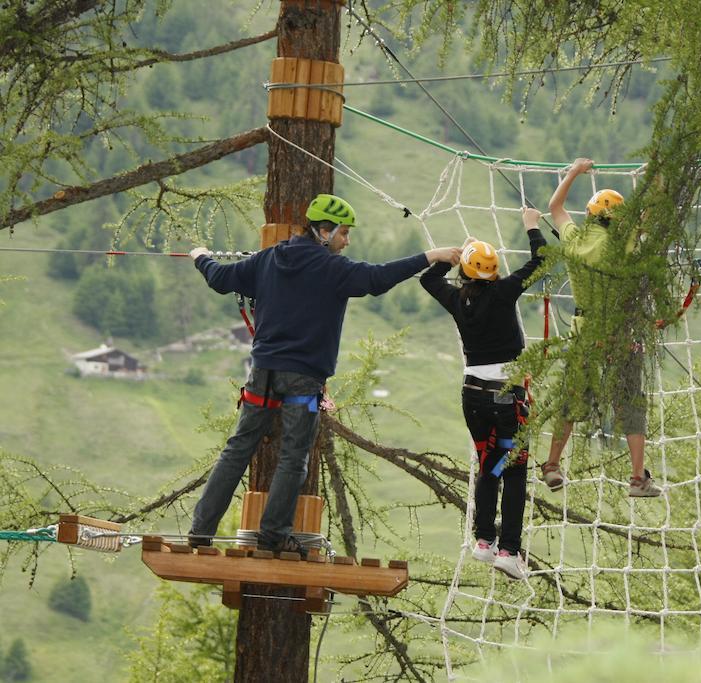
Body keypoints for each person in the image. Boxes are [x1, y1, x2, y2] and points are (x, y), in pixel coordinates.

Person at [187, 193, 461, 556]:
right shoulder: (334, 270)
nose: (347, 241)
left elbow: (221, 278)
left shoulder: (267, 260)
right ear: (324, 231)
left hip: (263, 372)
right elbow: (378, 279)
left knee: (238, 449)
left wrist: (201, 257)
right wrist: (432, 256)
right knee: (293, 457)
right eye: (344, 233)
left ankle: (200, 532)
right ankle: (273, 537)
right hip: (303, 378)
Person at [419, 207, 546, 580]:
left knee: (490, 464)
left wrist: (455, 254)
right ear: (495, 272)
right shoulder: (505, 291)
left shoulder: (458, 299)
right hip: (507, 397)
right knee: (516, 470)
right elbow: (541, 262)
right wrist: (532, 226)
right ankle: (508, 548)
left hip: (473, 395)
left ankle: (484, 540)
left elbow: (428, 280)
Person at [540, 157, 661, 497]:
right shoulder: (626, 243)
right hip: (620, 333)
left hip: (584, 331)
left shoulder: (576, 240)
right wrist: (658, 176)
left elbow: (555, 206)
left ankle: (551, 466)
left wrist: (575, 171)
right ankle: (638, 478)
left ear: (591, 214)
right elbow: (653, 213)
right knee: (630, 403)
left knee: (571, 399)